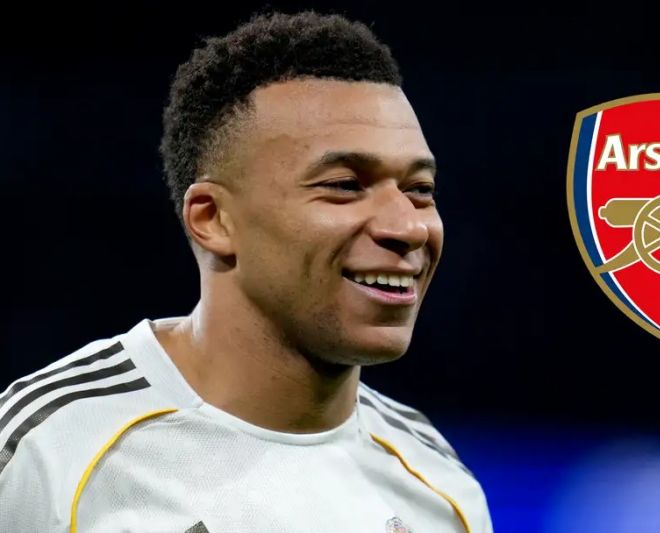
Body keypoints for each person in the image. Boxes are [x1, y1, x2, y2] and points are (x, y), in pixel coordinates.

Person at [0, 10, 492, 533]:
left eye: (419, 190)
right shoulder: (45, 452)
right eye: (345, 185)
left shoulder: (440, 487)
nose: (408, 227)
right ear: (213, 219)